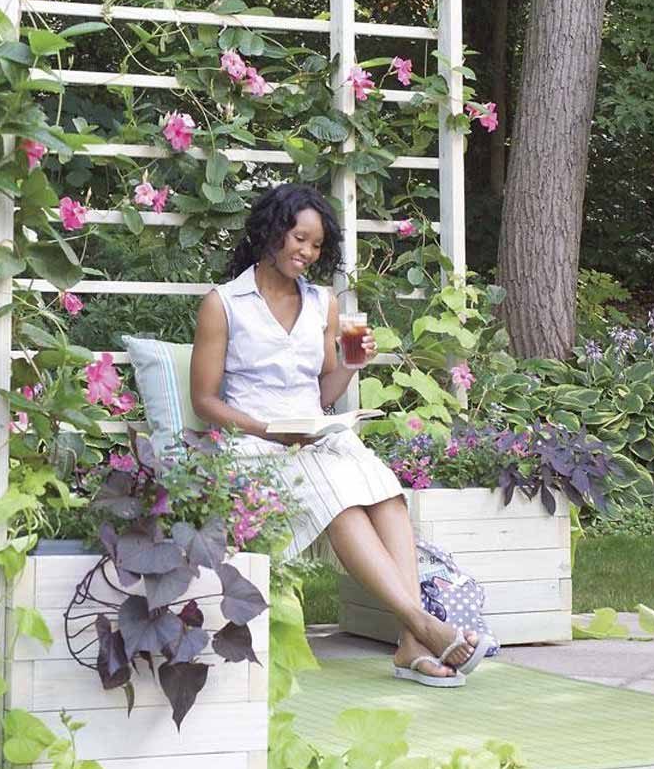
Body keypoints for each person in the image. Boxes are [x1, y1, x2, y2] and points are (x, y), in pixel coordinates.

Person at [189, 182, 491, 686]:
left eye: (316, 244)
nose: (307, 252)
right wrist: (269, 430)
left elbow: (324, 392)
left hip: (315, 435)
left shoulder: (323, 303)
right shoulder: (224, 304)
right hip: (254, 442)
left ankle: (413, 641)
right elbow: (206, 401)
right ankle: (420, 628)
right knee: (342, 502)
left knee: (387, 493)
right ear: (271, 231)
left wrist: (354, 363)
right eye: (299, 238)